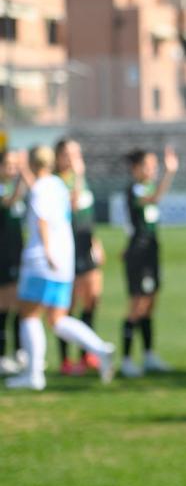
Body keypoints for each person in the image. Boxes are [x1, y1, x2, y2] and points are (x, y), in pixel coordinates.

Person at [6, 146, 113, 390]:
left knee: (29, 315)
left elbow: (42, 219)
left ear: (33, 163)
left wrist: (46, 252)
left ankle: (34, 374)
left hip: (42, 260)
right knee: (56, 318)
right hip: (65, 261)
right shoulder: (57, 185)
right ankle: (100, 348)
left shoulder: (42, 188)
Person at [121, 146, 178, 377]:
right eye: (148, 166)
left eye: (155, 167)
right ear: (136, 169)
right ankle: (125, 359)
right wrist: (170, 172)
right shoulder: (135, 190)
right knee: (138, 305)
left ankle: (148, 356)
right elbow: (154, 198)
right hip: (139, 255)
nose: (153, 170)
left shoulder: (146, 187)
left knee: (150, 304)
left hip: (152, 253)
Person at [54, 138, 104, 376]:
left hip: (86, 245)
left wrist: (96, 241)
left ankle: (87, 353)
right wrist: (79, 176)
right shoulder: (58, 182)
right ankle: (65, 359)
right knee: (69, 303)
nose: (73, 158)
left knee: (93, 297)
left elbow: (87, 215)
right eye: (68, 154)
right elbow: (71, 207)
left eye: (76, 153)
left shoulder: (81, 181)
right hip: (68, 248)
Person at [0, 149, 26, 375]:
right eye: (9, 164)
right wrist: (23, 178)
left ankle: (19, 351)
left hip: (18, 254)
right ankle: (2, 355)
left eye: (15, 164)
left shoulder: (13, 188)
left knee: (18, 304)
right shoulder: (4, 189)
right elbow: (8, 203)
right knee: (4, 306)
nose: (13, 168)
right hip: (4, 255)